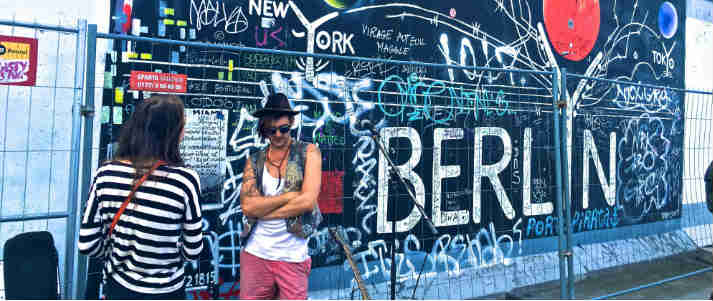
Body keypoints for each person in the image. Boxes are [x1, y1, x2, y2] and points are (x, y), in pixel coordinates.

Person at [78, 95, 203, 299]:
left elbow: (87, 243)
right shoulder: (185, 180)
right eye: (182, 126)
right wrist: (164, 252)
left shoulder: (106, 173)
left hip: (119, 288)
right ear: (172, 133)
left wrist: (118, 253)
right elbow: (193, 249)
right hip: (167, 291)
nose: (184, 133)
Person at [239, 92, 323, 300]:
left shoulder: (309, 153)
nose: (277, 135)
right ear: (264, 129)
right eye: (271, 130)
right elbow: (248, 208)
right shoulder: (255, 161)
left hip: (292, 256)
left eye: (283, 129)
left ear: (292, 123)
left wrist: (265, 211)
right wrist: (288, 198)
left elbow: (307, 201)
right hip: (255, 254)